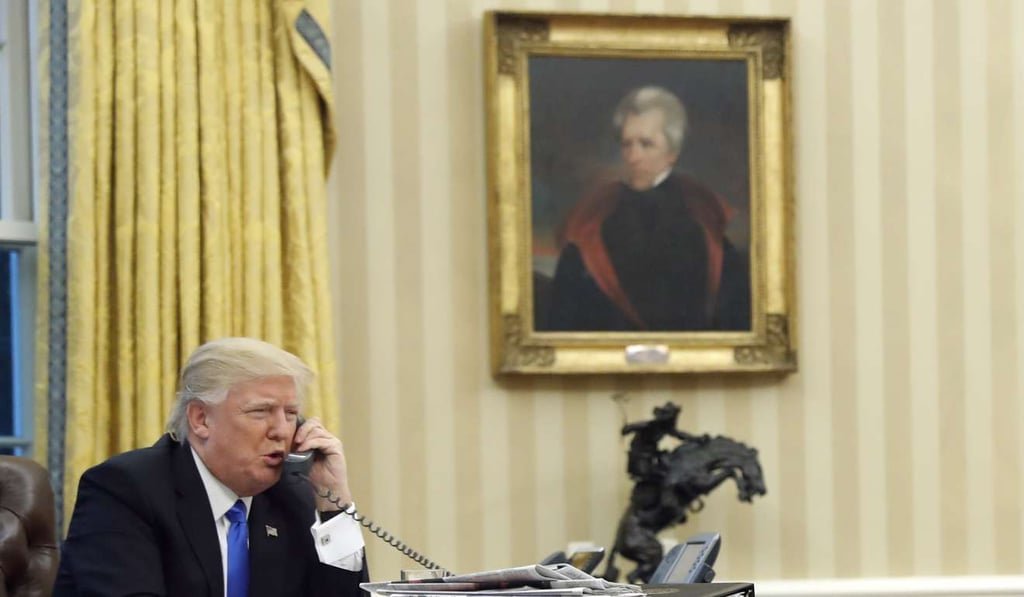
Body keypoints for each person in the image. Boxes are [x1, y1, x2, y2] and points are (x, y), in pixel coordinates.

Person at [54, 337, 369, 597]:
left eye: (290, 414)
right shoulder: (125, 490)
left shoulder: (291, 497)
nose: (282, 431)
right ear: (201, 419)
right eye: (261, 411)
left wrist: (333, 505)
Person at [543, 85, 750, 332]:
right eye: (626, 144)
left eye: (646, 144)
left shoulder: (703, 215)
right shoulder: (594, 215)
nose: (633, 157)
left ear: (672, 152)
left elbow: (732, 316)